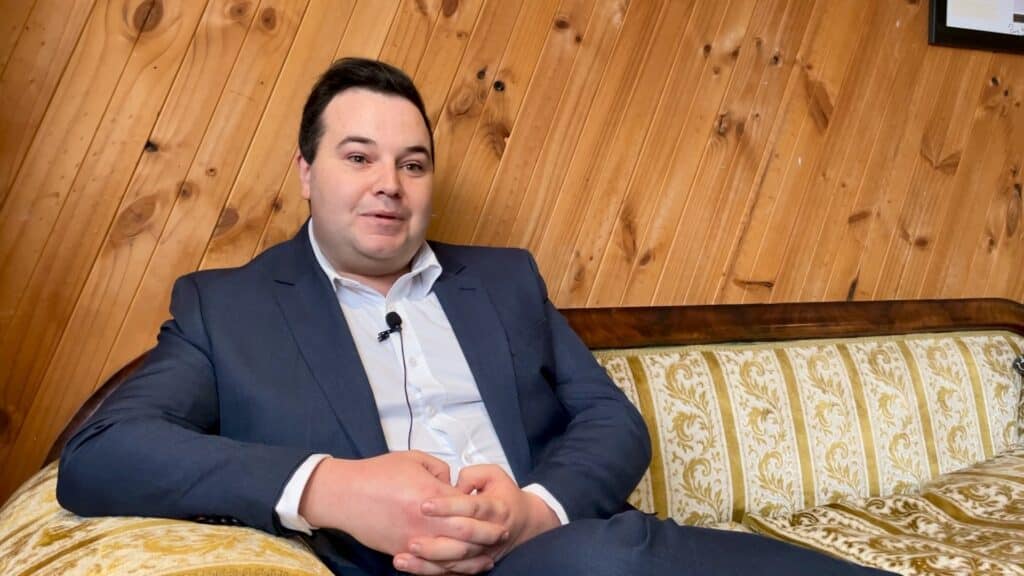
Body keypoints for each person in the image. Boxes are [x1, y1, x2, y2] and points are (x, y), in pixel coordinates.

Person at [58, 58, 894, 576]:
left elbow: (610, 420)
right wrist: (333, 488)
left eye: (412, 163)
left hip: (554, 549)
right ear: (306, 171)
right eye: (359, 157)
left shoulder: (502, 282)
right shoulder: (228, 305)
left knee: (613, 554)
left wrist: (535, 508)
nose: (390, 182)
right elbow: (100, 455)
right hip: (389, 568)